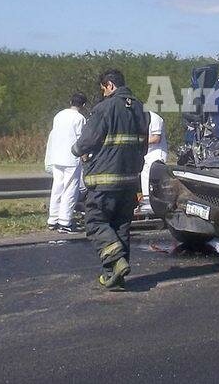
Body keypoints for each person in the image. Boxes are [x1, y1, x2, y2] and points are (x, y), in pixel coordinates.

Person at [72, 69, 148, 291]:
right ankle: (115, 277)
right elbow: (143, 146)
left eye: (104, 88)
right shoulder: (141, 109)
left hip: (105, 179)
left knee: (95, 223)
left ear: (110, 85)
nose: (103, 93)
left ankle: (115, 262)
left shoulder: (105, 108)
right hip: (130, 179)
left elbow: (86, 142)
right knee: (120, 226)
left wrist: (76, 149)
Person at [44, 92, 87, 233]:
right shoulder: (80, 118)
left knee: (57, 188)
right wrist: (85, 156)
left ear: (70, 101)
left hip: (57, 157)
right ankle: (65, 221)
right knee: (70, 190)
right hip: (71, 158)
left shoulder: (59, 115)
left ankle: (53, 219)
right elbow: (81, 140)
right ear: (83, 105)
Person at [139, 110, 168, 207]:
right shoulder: (141, 119)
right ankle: (147, 200)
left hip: (156, 153)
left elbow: (156, 138)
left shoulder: (155, 118)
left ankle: (152, 202)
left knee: (152, 178)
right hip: (147, 153)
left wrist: (139, 141)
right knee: (144, 176)